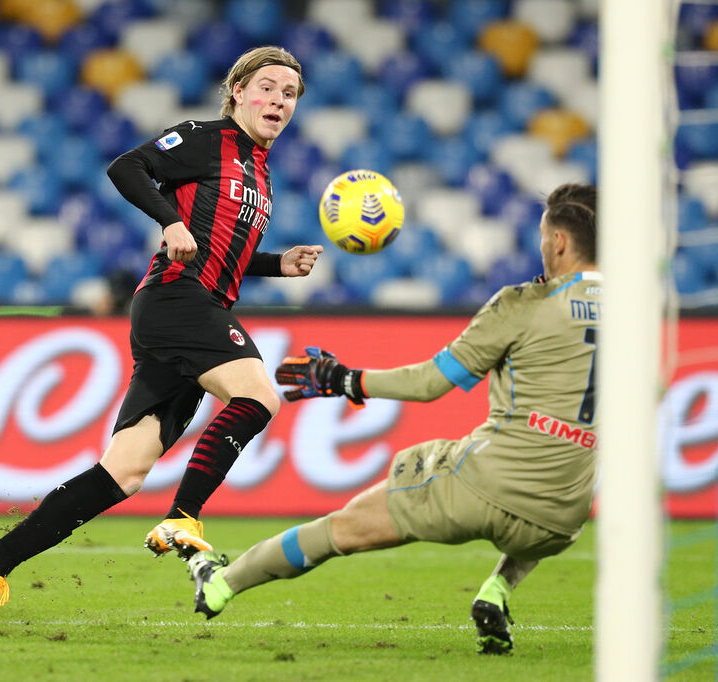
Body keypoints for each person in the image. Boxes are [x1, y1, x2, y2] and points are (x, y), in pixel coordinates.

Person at [0, 45, 323, 632]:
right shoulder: (206, 138)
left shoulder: (260, 171)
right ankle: (184, 516)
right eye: (267, 87)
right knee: (257, 396)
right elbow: (127, 166)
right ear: (237, 92)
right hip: (177, 299)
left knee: (124, 472)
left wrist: (279, 265)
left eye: (290, 94)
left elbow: (222, 247)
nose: (279, 100)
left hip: (190, 310)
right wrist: (168, 221)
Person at [185, 183, 601, 655]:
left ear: (559, 242)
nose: (542, 247)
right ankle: (497, 590)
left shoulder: (524, 304)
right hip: (565, 516)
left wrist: (346, 380)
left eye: (544, 237)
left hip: (485, 487)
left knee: (341, 529)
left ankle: (221, 583)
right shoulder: (635, 317)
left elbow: (431, 383)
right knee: (546, 492)